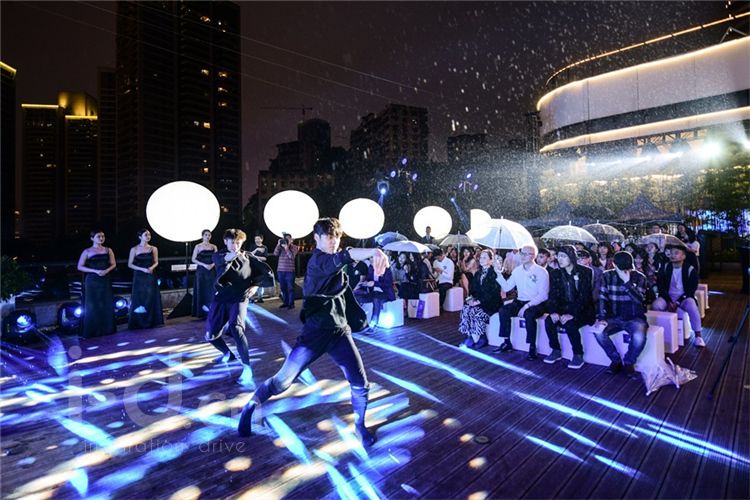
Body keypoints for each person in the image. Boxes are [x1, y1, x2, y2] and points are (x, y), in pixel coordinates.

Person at [238, 218, 388, 447]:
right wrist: (374, 251)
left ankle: (360, 426)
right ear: (316, 238)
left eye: (337, 237)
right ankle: (249, 407)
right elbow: (344, 257)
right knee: (282, 382)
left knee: (360, 383)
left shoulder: (335, 261)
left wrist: (370, 260)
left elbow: (347, 262)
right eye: (329, 237)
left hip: (339, 332)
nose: (334, 241)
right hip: (314, 334)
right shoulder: (318, 261)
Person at [206, 229, 275, 386]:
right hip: (221, 298)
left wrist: (255, 286)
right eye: (232, 242)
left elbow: (263, 273)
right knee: (210, 335)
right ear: (225, 242)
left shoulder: (248, 257)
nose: (235, 246)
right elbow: (223, 260)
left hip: (240, 298)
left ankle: (247, 368)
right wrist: (232, 256)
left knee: (236, 328)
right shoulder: (218, 255)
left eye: (238, 243)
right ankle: (227, 354)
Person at [593, 251, 649, 377]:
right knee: (598, 332)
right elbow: (602, 298)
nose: (625, 271)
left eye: (628, 268)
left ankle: (629, 362)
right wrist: (601, 317)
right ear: (614, 264)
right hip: (613, 316)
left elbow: (639, 300)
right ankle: (615, 360)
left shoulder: (640, 277)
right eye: (622, 268)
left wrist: (627, 283)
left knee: (639, 336)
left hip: (635, 317)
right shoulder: (607, 276)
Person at [493, 245, 549, 360]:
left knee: (529, 314)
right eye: (521, 253)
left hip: (536, 302)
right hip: (520, 300)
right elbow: (507, 287)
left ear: (533, 256)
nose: (522, 256)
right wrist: (498, 273)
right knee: (503, 310)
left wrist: (527, 306)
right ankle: (506, 342)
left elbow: (543, 295)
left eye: (526, 254)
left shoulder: (541, 272)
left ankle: (532, 346)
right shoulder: (517, 271)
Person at [543, 246, 594, 369]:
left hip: (582, 309)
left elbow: (585, 297)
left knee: (570, 323)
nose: (560, 259)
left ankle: (578, 354)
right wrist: (554, 311)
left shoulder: (585, 271)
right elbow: (553, 295)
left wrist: (572, 313)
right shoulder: (555, 273)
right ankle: (555, 350)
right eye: (559, 256)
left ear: (571, 257)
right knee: (549, 321)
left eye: (563, 256)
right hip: (563, 308)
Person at [652, 243, 705, 347]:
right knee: (656, 305)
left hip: (684, 297)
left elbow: (690, 290)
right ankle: (663, 333)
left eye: (676, 253)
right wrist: (669, 301)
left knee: (692, 305)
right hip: (668, 296)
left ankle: (698, 336)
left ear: (683, 256)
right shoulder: (665, 267)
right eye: (671, 253)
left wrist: (677, 302)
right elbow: (660, 286)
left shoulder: (690, 270)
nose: (672, 255)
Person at [458, 249, 501, 349]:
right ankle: (469, 336)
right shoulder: (478, 273)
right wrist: (470, 299)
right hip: (478, 301)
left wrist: (479, 301)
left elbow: (493, 292)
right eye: (481, 257)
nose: (481, 259)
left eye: (485, 257)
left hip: (491, 303)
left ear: (491, 260)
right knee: (466, 309)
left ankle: (482, 337)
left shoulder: (494, 273)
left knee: (475, 311)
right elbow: (473, 289)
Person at [77, 230, 116, 338]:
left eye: (103, 236)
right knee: (92, 305)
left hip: (105, 279)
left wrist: (106, 270)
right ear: (92, 238)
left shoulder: (108, 250)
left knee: (106, 303)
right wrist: (95, 271)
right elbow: (80, 266)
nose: (101, 238)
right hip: (92, 280)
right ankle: (92, 330)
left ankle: (107, 329)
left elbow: (113, 264)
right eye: (98, 236)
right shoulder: (87, 251)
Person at [127, 229, 164, 330]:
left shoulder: (153, 248)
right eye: (146, 235)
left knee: (151, 295)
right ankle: (139, 321)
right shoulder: (134, 249)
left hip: (150, 274)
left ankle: (152, 320)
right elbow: (130, 264)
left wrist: (152, 267)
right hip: (139, 275)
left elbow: (156, 261)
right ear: (140, 237)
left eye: (149, 235)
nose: (148, 236)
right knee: (139, 296)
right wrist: (142, 269)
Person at [353, 257, 396, 332]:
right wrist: (365, 283)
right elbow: (369, 278)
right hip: (373, 292)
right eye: (370, 259)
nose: (371, 261)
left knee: (376, 298)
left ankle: (373, 324)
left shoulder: (386, 269)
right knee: (356, 295)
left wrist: (375, 283)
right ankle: (358, 320)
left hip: (385, 293)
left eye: (373, 259)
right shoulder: (371, 267)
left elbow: (388, 284)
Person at [192, 229, 218, 318]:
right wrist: (204, 265)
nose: (208, 236)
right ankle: (201, 312)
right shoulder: (198, 246)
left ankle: (212, 311)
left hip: (212, 270)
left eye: (209, 235)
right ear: (202, 236)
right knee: (201, 290)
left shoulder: (214, 246)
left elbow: (217, 258)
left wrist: (212, 265)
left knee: (212, 290)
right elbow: (193, 259)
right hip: (201, 271)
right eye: (206, 235)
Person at [274, 232, 299, 309]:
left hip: (290, 271)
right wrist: (278, 245)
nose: (287, 240)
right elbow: (275, 254)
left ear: (291, 240)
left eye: (288, 239)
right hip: (280, 270)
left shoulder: (295, 247)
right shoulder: (280, 247)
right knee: (283, 288)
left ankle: (291, 304)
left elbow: (291, 257)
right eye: (286, 239)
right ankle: (285, 302)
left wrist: (286, 247)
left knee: (290, 288)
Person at [248, 234, 269, 303]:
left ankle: (260, 297)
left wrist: (256, 257)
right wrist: (256, 250)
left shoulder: (264, 247)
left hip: (261, 267)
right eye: (255, 239)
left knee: (260, 282)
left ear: (261, 239)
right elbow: (250, 254)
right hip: (252, 266)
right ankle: (251, 297)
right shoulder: (252, 246)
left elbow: (265, 258)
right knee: (252, 282)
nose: (256, 240)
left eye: (258, 239)